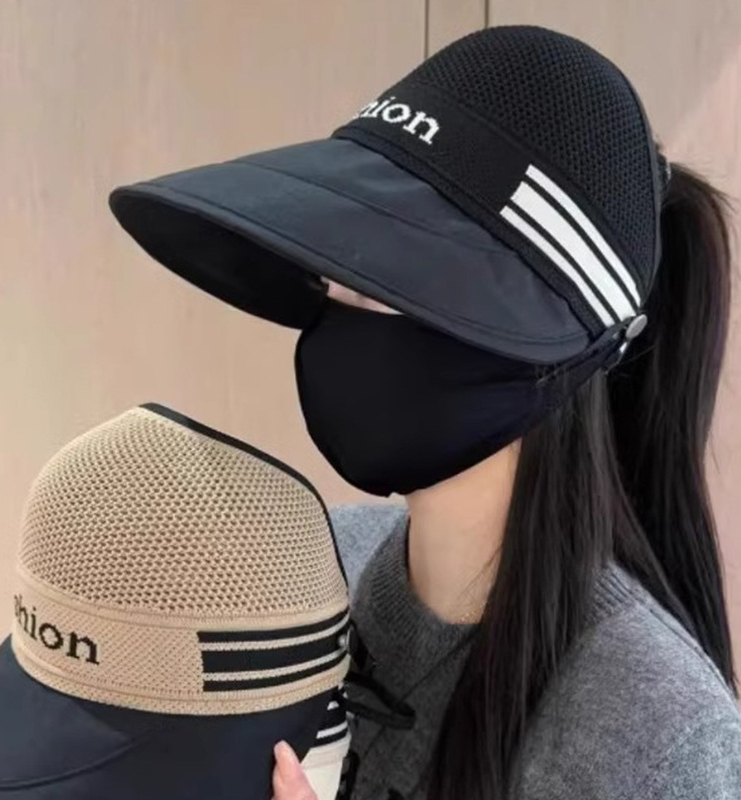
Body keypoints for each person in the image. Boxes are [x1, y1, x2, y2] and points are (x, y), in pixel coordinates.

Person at [109, 26, 741, 800]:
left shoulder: (660, 740)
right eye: (337, 278)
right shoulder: (312, 569)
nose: (340, 317)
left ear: (543, 342)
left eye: (388, 281)